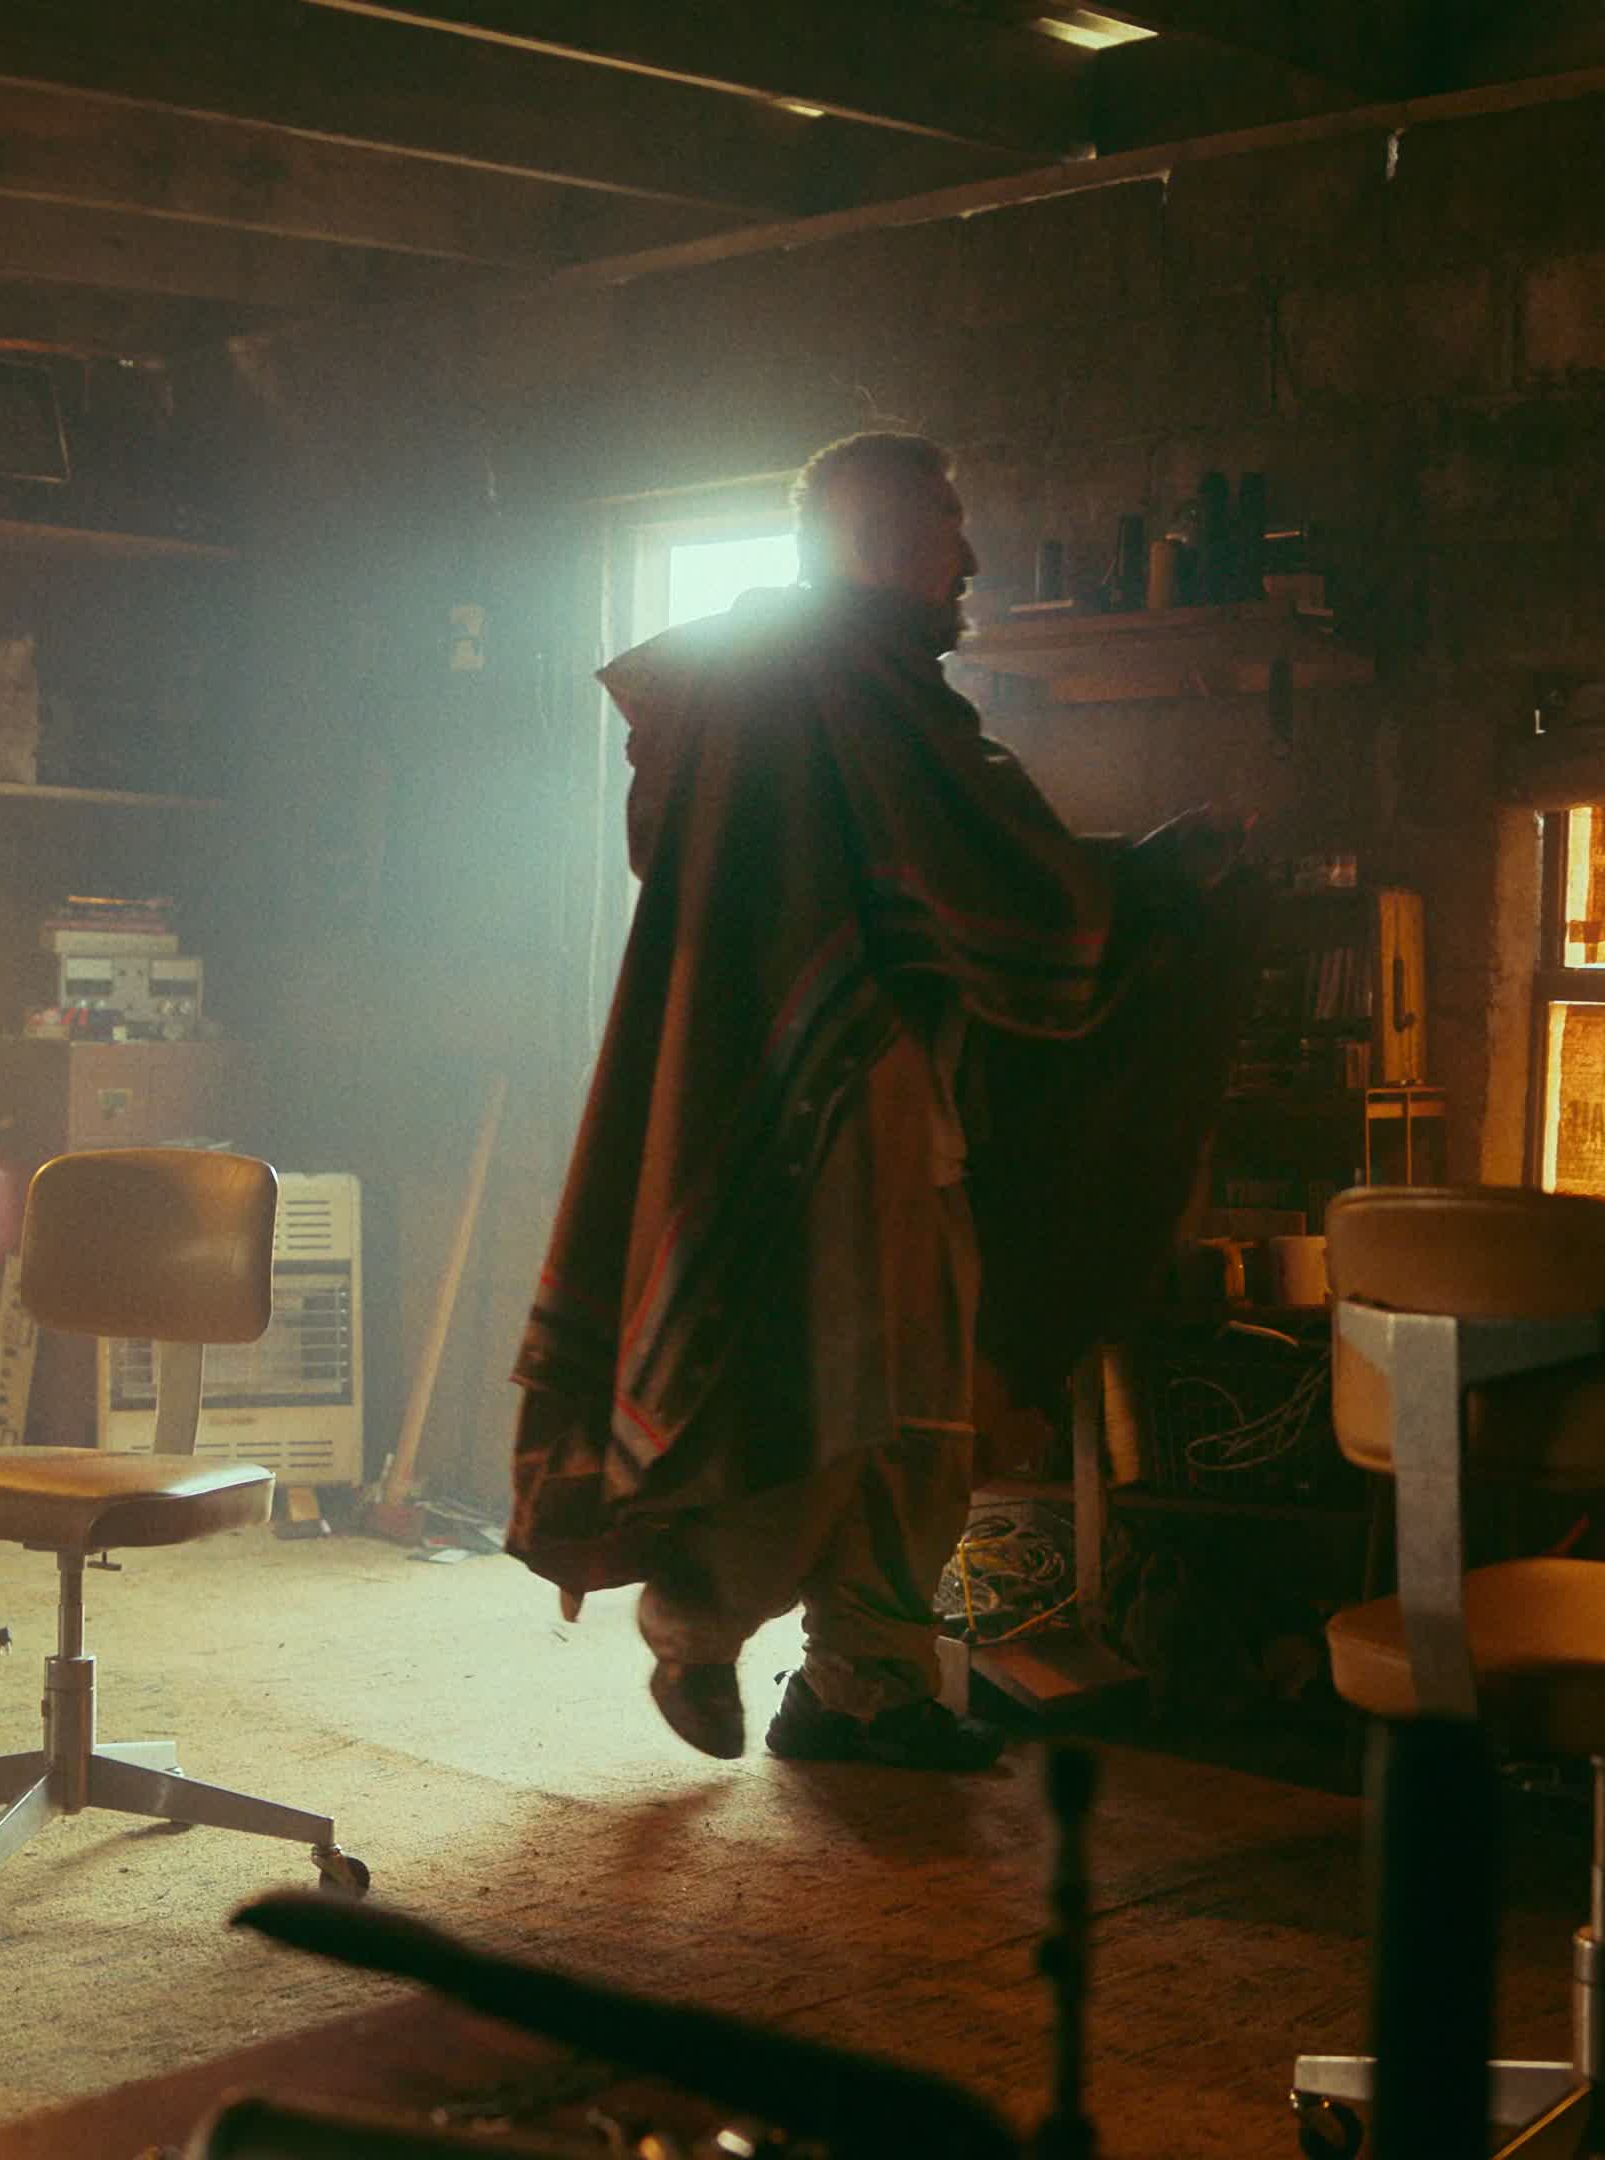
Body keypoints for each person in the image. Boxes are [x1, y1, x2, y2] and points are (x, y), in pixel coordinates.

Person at [509, 431, 1251, 1770]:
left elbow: (960, 859)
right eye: (943, 523)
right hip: (825, 1104)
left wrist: (1131, 876)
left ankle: (867, 1687)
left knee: (922, 1406)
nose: (966, 555)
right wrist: (1145, 892)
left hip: (898, 1095)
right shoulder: (820, 686)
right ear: (870, 536)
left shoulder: (829, 687)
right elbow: (984, 878)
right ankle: (699, 1622)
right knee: (822, 1399)